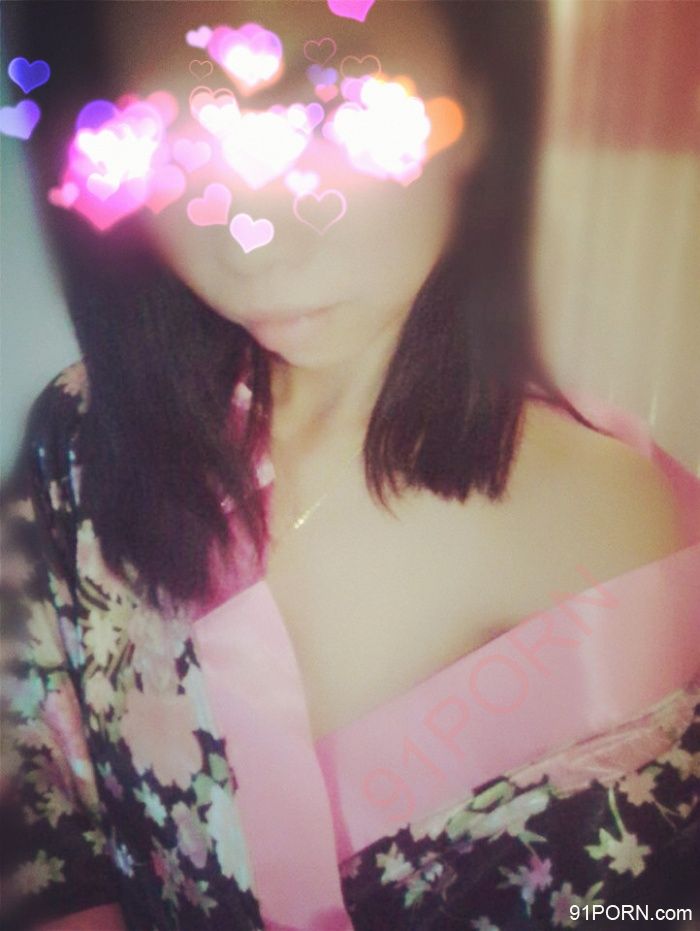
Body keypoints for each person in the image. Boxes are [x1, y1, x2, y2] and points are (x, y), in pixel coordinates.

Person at [1, 2, 698, 929]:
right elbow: (37, 807)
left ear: (482, 95)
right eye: (165, 139)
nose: (252, 246)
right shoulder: (89, 437)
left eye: (330, 113)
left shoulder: (613, 527)